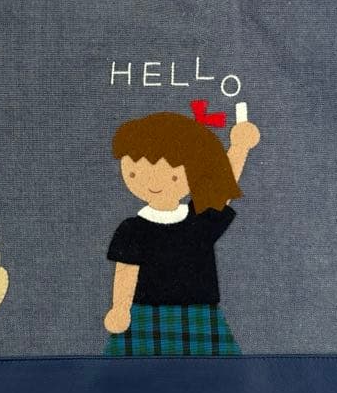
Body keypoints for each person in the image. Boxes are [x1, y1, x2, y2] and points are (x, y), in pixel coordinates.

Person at [102, 108, 260, 356]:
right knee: (131, 377)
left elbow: (219, 188)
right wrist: (120, 308)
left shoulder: (198, 221)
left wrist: (239, 147)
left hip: (199, 315)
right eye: (134, 172)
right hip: (145, 315)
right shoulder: (132, 229)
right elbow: (127, 271)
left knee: (214, 376)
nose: (154, 182)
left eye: (172, 174)